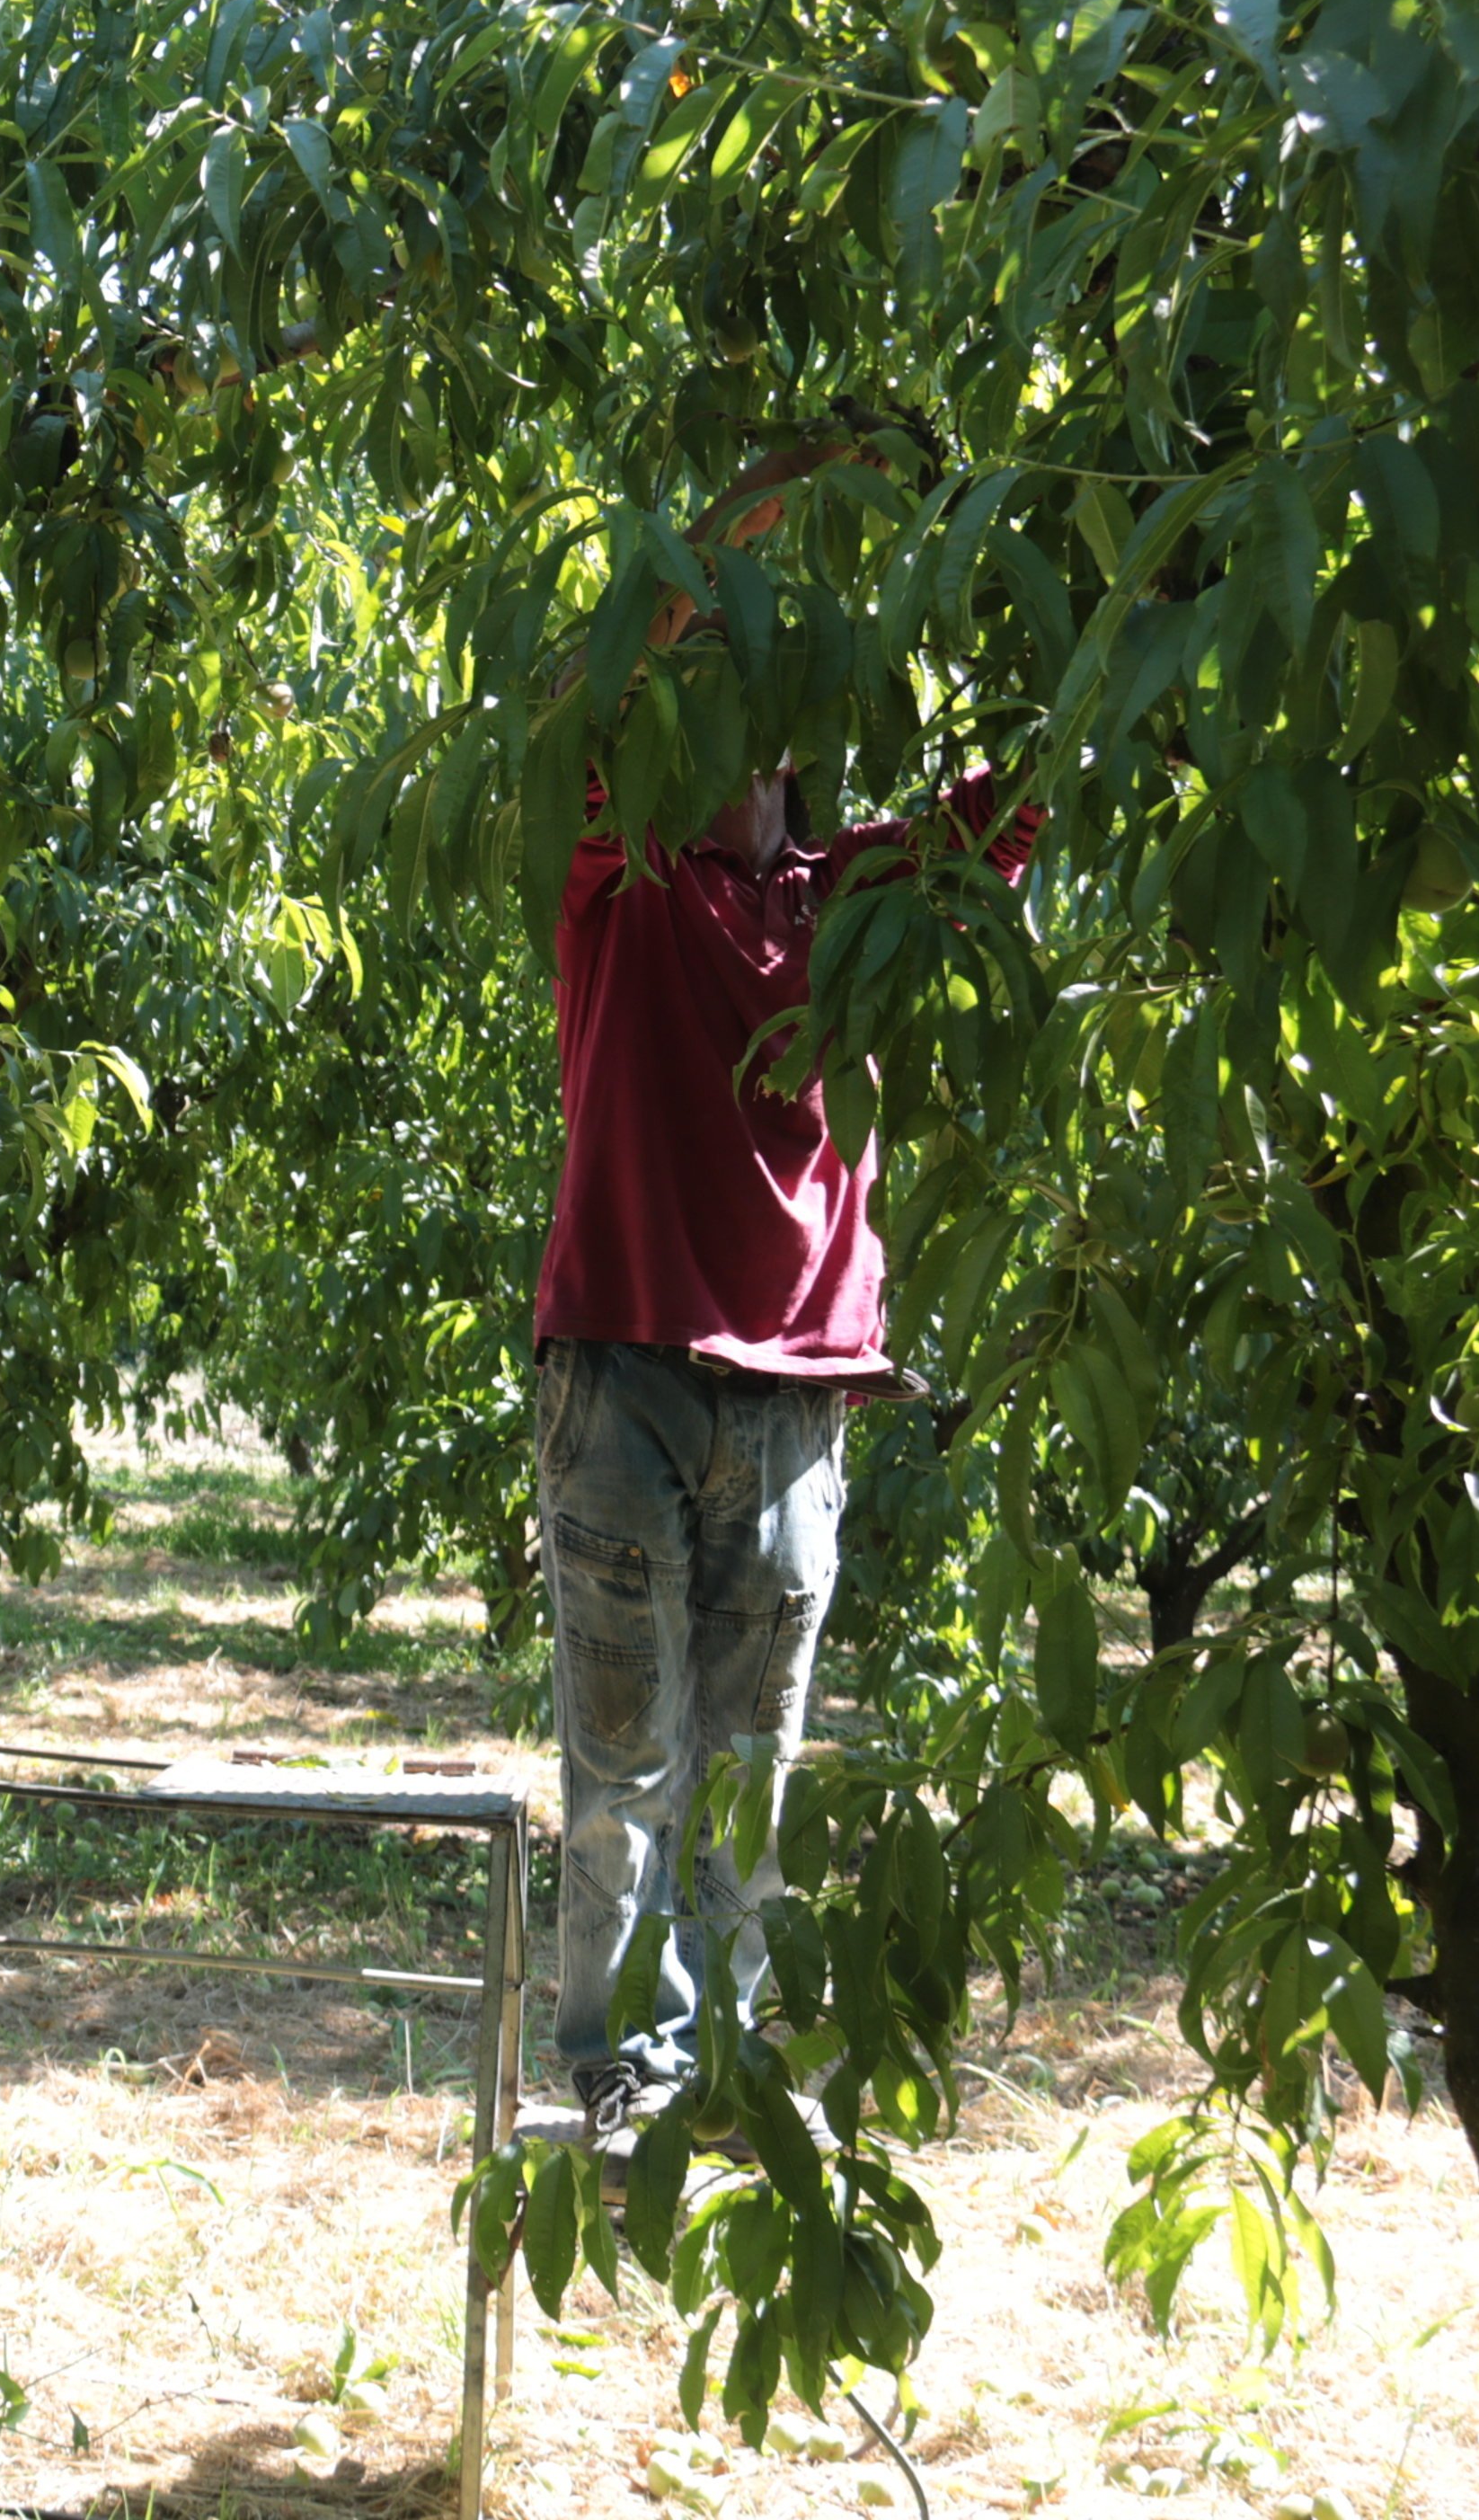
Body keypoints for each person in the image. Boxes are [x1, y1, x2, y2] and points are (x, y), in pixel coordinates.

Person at [535, 751, 1033, 2146]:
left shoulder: (855, 895)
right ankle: (630, 2064)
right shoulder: (622, 874)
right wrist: (719, 574)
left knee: (750, 1777)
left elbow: (1016, 798)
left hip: (797, 1399)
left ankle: (742, 2076)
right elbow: (598, 728)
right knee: (627, 1768)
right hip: (626, 1371)